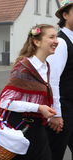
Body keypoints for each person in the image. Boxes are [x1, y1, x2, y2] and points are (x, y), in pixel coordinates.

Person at [0, 24, 58, 160]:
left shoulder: (46, 66)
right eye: (51, 37)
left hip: (37, 126)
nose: (56, 41)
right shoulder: (23, 67)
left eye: (56, 37)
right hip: (19, 126)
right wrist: (38, 107)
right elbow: (5, 102)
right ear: (37, 42)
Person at [46, 1, 73, 160]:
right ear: (65, 15)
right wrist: (56, 114)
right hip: (64, 108)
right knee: (55, 152)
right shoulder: (61, 42)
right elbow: (52, 80)